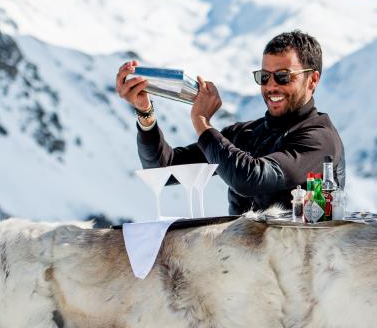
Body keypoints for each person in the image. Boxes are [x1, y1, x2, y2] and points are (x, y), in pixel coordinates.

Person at [115, 30, 345, 216]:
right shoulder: (245, 134)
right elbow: (165, 170)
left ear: (312, 80)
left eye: (283, 76)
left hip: (298, 270)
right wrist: (145, 112)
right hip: (241, 268)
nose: (271, 86)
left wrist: (202, 122)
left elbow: (251, 179)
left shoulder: (320, 140)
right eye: (264, 77)